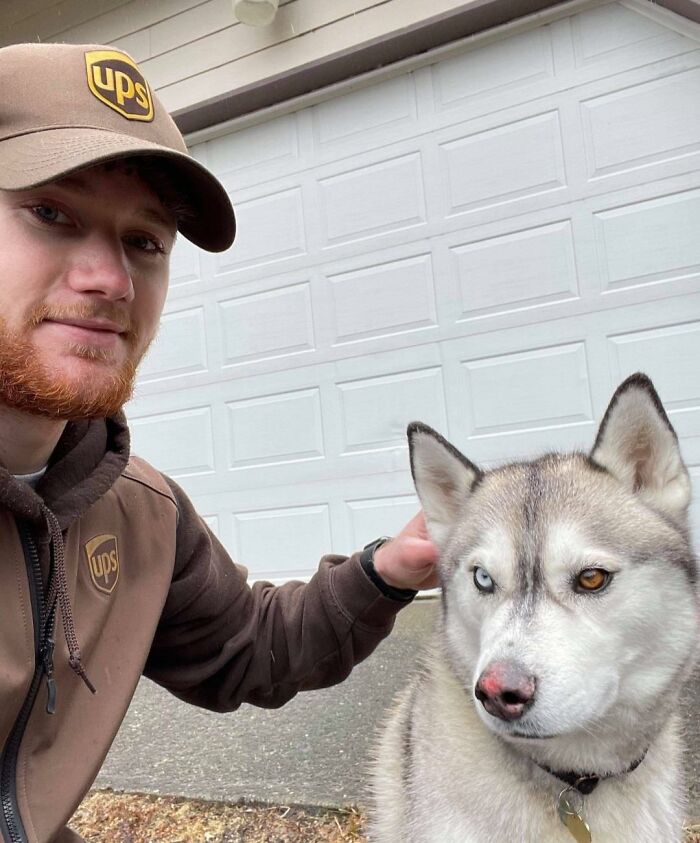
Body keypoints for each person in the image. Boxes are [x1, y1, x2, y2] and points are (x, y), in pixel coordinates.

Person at [0, 42, 439, 843]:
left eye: (146, 241)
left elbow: (248, 647)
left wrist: (386, 570)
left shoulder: (135, 511)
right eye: (51, 213)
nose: (111, 280)